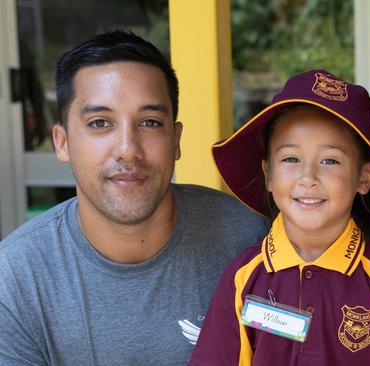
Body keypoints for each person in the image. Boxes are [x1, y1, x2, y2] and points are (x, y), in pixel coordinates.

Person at [0, 30, 267, 365]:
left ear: (176, 139)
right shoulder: (16, 278)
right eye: (100, 123)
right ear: (62, 141)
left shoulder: (250, 242)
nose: (128, 150)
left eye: (150, 122)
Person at [189, 70, 370, 365]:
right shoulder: (243, 278)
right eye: (290, 159)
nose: (308, 177)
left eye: (330, 160)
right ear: (268, 175)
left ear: (364, 177)